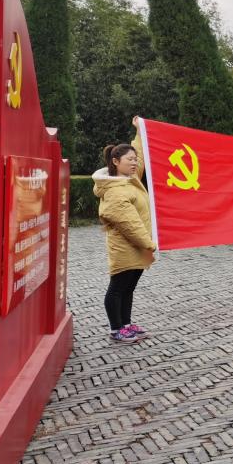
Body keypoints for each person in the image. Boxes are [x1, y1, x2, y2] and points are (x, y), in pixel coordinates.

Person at [92, 117, 156, 344]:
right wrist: (149, 244)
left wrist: (139, 130)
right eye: (129, 160)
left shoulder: (131, 179)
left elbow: (140, 154)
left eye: (134, 159)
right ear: (115, 161)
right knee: (118, 288)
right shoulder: (115, 190)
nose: (134, 163)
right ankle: (116, 329)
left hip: (138, 246)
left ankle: (126, 325)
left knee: (129, 287)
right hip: (125, 247)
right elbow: (130, 224)